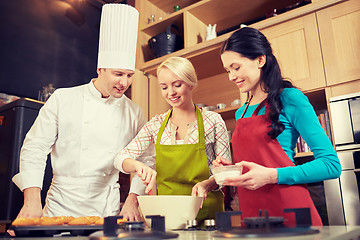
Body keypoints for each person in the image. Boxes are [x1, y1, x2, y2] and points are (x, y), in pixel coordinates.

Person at [12, 3, 155, 219]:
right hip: (60, 205)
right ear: (100, 69)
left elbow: (147, 159)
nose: (124, 82)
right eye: (118, 74)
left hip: (106, 208)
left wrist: (133, 200)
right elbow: (35, 148)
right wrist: (32, 201)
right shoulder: (63, 99)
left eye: (129, 75)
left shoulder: (134, 111)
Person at [213, 27, 342, 226]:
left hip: (290, 212)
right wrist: (230, 169)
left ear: (260, 60)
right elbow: (253, 166)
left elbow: (331, 165)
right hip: (253, 216)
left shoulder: (290, 99)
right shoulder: (241, 113)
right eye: (227, 70)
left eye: (236, 67)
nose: (231, 76)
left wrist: (272, 175)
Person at [114, 56, 232, 224]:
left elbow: (226, 173)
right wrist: (138, 166)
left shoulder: (213, 121)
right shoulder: (155, 125)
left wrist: (207, 184)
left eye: (177, 85)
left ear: (191, 83)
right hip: (167, 217)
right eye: (164, 87)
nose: (171, 93)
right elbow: (120, 159)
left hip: (207, 214)